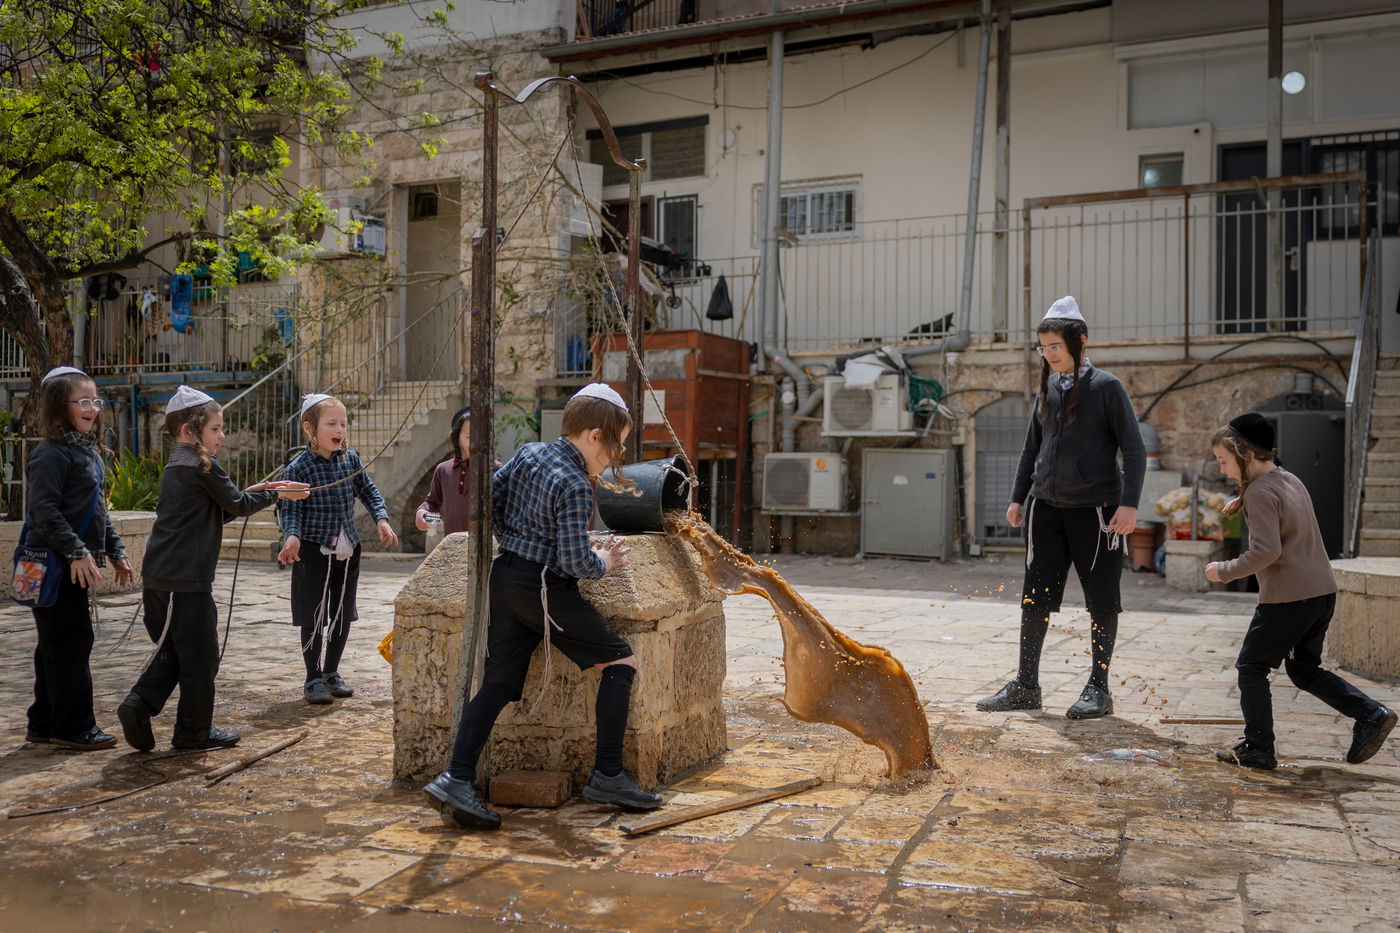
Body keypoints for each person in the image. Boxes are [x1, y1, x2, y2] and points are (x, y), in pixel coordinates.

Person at [423, 383, 660, 829]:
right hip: (546, 589)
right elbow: (575, 560)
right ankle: (607, 774)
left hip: (506, 580)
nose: (615, 456)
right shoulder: (573, 482)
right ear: (594, 436)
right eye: (616, 445)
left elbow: (488, 502)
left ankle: (456, 777)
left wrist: (522, 535)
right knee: (621, 663)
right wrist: (604, 561)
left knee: (497, 684)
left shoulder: (530, 453)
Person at [977, 296, 1146, 720]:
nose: (1049, 354)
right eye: (1043, 347)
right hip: (1046, 509)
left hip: (1097, 512)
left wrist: (1129, 505)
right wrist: (1019, 496)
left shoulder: (1107, 387)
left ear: (1080, 341)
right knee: (1035, 598)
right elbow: (1031, 446)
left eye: (1055, 346)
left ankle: (1099, 688)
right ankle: (1026, 685)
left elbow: (1134, 449)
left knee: (1102, 600)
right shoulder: (1049, 387)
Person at [115, 386, 309, 752]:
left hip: (160, 581)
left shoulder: (177, 464)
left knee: (175, 653)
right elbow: (236, 502)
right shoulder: (202, 464)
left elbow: (224, 507)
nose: (222, 436)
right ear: (191, 431)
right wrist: (278, 494)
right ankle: (192, 732)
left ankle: (139, 704)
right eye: (216, 429)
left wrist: (261, 490)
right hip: (185, 583)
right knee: (202, 658)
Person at [1205, 413, 1395, 770]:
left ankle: (1259, 748)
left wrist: (1224, 571)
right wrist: (1242, 496)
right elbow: (1270, 498)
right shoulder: (1288, 478)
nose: (1223, 470)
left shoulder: (1260, 492)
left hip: (1288, 599)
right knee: (1304, 670)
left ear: (1246, 456)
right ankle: (1371, 714)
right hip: (1322, 592)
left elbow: (1266, 552)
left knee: (1251, 667)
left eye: (1224, 462)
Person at [23, 366, 134, 750]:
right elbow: (43, 511)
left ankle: (43, 721)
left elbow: (97, 511)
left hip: (73, 563)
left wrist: (117, 552)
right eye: (82, 401)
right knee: (69, 643)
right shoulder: (51, 454)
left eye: (94, 400)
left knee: (56, 644)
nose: (91, 408)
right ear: (59, 406)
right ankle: (73, 727)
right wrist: (75, 551)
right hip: (55, 565)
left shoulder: (87, 451)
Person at [277, 393, 399, 705]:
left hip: (348, 549)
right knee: (314, 615)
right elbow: (290, 510)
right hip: (314, 551)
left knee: (343, 614)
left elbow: (368, 490)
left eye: (343, 423)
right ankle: (312, 677)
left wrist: (381, 519)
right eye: (332, 423)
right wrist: (292, 537)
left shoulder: (351, 459)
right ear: (309, 428)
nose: (340, 430)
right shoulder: (298, 468)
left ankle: (332, 671)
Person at [414, 407, 473, 538]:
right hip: (453, 548)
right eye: (470, 437)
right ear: (456, 437)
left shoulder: (494, 469)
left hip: (486, 550)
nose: (477, 443)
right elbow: (432, 502)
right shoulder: (443, 470)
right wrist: (422, 512)